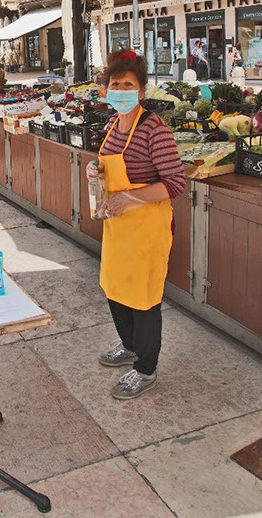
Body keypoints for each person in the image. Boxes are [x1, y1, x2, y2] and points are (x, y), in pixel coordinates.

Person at [86, 50, 186, 400]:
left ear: (142, 91)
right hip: (118, 227)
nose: (122, 89)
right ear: (107, 90)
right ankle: (129, 346)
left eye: (129, 84)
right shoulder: (113, 123)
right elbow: (108, 165)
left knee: (143, 299)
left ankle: (145, 368)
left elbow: (175, 182)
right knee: (115, 288)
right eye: (115, 84)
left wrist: (131, 198)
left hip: (146, 227)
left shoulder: (153, 129)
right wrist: (94, 171)